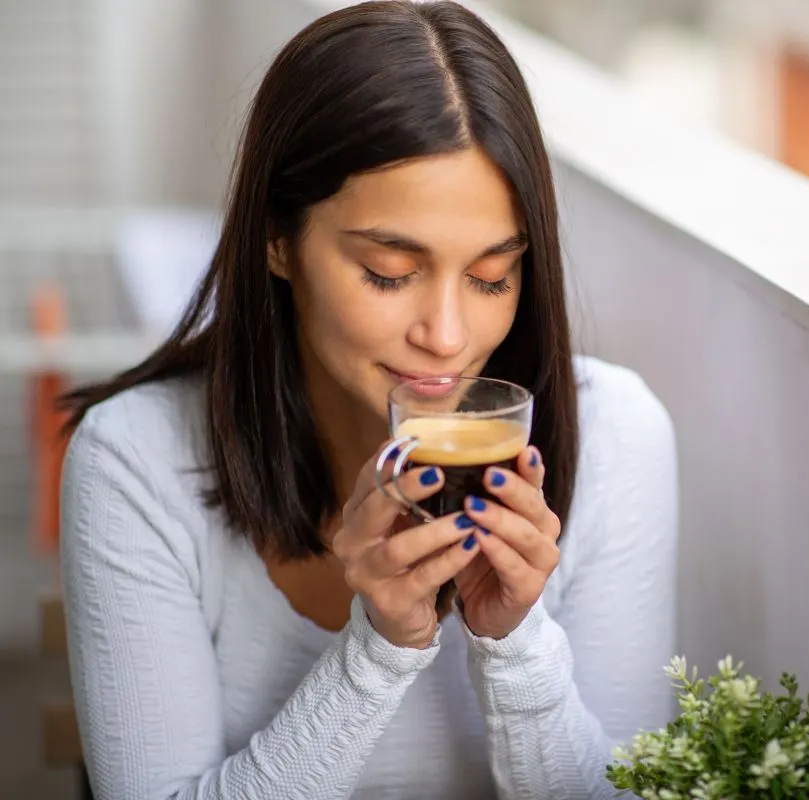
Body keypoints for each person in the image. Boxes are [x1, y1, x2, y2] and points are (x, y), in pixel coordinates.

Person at [57, 2, 678, 797]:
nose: (449, 336)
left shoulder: (619, 437)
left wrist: (517, 644)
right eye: (389, 271)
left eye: (493, 276)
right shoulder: (136, 459)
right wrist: (377, 652)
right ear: (277, 240)